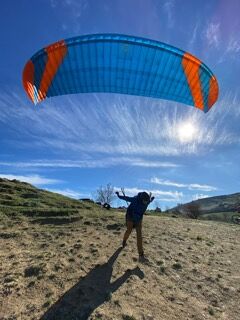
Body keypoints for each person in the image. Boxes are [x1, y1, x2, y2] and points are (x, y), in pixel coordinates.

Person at [115, 191, 154, 262]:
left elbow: (150, 201)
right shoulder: (135, 199)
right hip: (130, 217)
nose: (146, 203)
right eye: (145, 201)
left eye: (147, 201)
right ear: (141, 199)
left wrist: (151, 199)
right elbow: (125, 198)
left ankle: (141, 256)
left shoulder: (147, 201)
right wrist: (118, 195)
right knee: (129, 230)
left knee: (139, 235)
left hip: (139, 219)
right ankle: (124, 241)